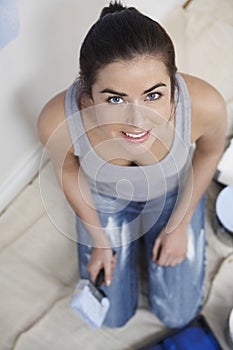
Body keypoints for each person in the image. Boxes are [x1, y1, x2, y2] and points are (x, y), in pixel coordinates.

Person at [37, 1, 226, 328]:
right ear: (88, 97)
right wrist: (99, 239)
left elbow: (209, 153)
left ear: (173, 84)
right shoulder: (58, 120)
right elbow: (67, 170)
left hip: (173, 197)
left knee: (178, 314)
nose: (138, 121)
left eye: (154, 95)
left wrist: (179, 225)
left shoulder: (206, 105)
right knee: (111, 316)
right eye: (115, 99)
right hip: (105, 200)